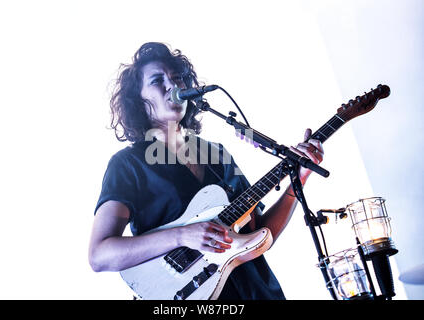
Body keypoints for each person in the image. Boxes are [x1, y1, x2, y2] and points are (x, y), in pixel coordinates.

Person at [88, 42, 324, 300]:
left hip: (258, 293)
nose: (172, 86)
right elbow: (100, 255)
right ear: (139, 101)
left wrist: (297, 181)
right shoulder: (128, 164)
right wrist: (182, 235)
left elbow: (260, 231)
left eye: (177, 78)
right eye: (157, 80)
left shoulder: (217, 153)